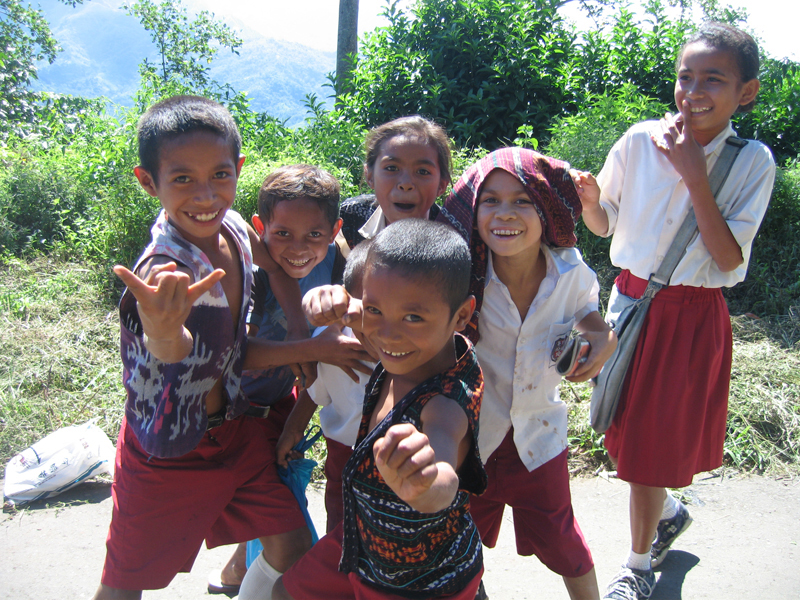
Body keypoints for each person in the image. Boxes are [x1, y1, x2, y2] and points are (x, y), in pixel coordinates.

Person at [572, 22, 775, 600]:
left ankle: (636, 568)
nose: (694, 91)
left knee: (648, 447)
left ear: (746, 92)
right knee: (621, 428)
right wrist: (591, 202)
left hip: (689, 313)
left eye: (714, 79)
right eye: (686, 77)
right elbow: (605, 225)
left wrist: (693, 173)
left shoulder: (751, 161)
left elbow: (728, 259)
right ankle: (667, 515)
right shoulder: (638, 141)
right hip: (627, 303)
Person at [93, 96, 314, 600]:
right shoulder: (163, 270)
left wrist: (301, 334)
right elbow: (174, 348)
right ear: (149, 182)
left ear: (238, 168)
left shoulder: (234, 229)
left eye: (219, 175)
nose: (206, 195)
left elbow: (273, 272)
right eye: (182, 179)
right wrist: (164, 331)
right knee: (124, 584)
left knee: (293, 546)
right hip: (168, 451)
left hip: (235, 431)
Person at [273, 219, 487, 600]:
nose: (386, 334)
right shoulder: (413, 344)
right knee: (285, 593)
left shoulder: (443, 404)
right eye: (374, 310)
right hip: (361, 544)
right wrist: (330, 301)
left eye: (413, 318)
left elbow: (444, 474)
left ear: (460, 316)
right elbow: (370, 310)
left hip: (413, 582)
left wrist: (423, 485)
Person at [438, 147, 617, 600]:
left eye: (522, 200)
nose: (505, 213)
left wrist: (602, 340)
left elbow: (588, 314)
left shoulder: (570, 272)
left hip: (539, 439)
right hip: (468, 440)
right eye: (490, 200)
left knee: (565, 544)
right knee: (451, 544)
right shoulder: (460, 279)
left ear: (546, 209)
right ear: (473, 210)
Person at [209, 164, 373, 598]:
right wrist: (313, 348)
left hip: (281, 402)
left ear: (334, 231)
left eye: (314, 235)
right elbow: (230, 357)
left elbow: (335, 353)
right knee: (283, 524)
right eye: (282, 234)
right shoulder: (245, 271)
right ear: (260, 227)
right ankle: (246, 574)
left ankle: (237, 571)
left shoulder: (338, 266)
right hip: (231, 414)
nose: (298, 248)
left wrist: (298, 419)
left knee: (275, 503)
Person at [275, 240, 377, 534]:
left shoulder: (416, 351)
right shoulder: (329, 345)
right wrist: (293, 428)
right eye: (369, 309)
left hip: (396, 457)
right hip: (342, 456)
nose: (379, 325)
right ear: (346, 307)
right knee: (341, 529)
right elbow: (314, 390)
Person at [338, 114, 454, 249]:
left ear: (441, 185)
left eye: (422, 171)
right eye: (391, 168)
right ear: (370, 176)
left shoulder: (452, 235)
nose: (406, 184)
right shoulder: (352, 216)